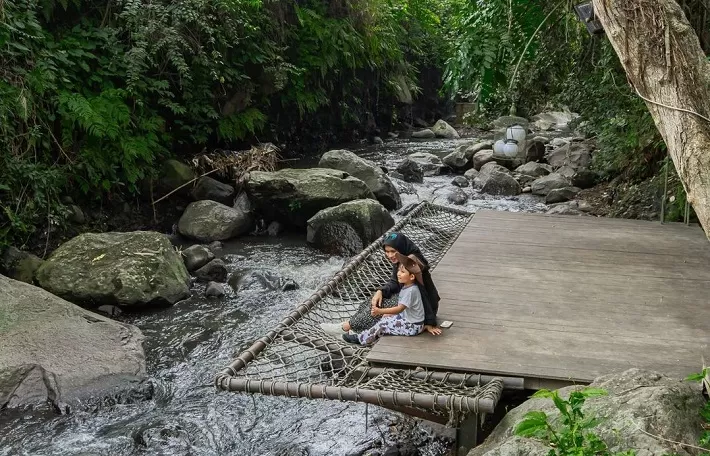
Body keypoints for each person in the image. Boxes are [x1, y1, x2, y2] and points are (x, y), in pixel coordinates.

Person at [320, 232, 442, 336]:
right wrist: (380, 291)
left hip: (423, 310)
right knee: (375, 299)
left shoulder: (412, 261)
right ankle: (353, 327)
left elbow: (424, 291)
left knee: (384, 304)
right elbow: (395, 282)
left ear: (400, 248)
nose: (389, 255)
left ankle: (345, 327)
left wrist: (429, 322)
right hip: (413, 301)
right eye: (387, 251)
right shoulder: (401, 258)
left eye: (393, 251)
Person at [342, 253, 429, 345]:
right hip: (410, 320)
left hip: (412, 327)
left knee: (383, 324)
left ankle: (362, 339)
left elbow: (399, 308)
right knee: (386, 318)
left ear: (411, 277)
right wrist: (387, 313)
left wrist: (380, 311)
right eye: (399, 270)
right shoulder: (408, 286)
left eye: (402, 272)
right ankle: (363, 333)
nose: (398, 274)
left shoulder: (411, 291)